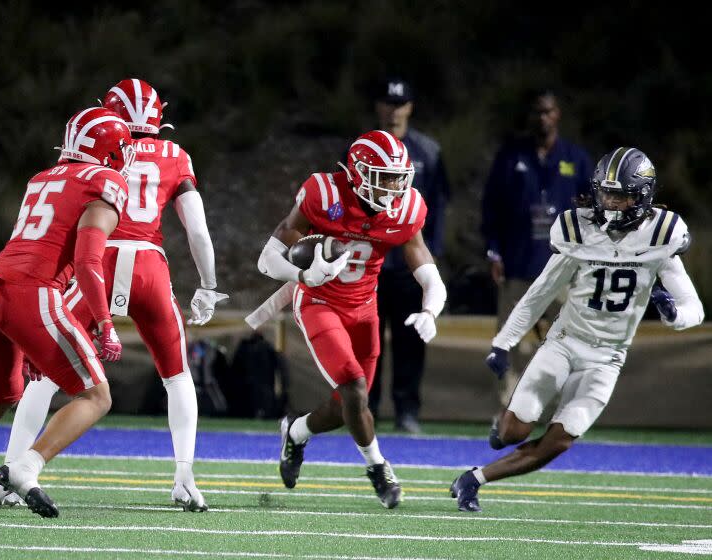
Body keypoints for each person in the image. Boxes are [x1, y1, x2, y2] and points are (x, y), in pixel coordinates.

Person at [0, 79, 227, 512]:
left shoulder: (51, 174)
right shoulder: (166, 159)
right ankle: (185, 477)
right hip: (140, 266)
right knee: (174, 376)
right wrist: (207, 286)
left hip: (26, 277)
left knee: (35, 381)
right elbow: (197, 231)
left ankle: (9, 472)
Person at [452, 147, 704, 512]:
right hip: (565, 344)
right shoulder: (578, 230)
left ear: (642, 196)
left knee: (559, 441)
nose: (612, 203)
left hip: (607, 358)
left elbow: (694, 309)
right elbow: (539, 293)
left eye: (622, 195)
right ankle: (501, 427)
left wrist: (672, 315)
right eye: (607, 193)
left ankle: (473, 480)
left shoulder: (661, 237)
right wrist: (503, 343)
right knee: (512, 433)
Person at [255, 130, 447, 508]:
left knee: (346, 407)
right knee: (356, 390)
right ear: (358, 173)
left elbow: (426, 268)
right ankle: (378, 467)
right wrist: (303, 275)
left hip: (364, 308)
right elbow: (268, 258)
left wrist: (431, 310)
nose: (393, 187)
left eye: (398, 178)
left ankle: (295, 432)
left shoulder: (405, 208)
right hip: (318, 302)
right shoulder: (324, 195)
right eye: (385, 177)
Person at [0, 107, 132, 517]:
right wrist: (105, 323)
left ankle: (20, 469)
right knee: (96, 396)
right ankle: (26, 467)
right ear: (111, 151)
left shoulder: (42, 178)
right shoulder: (105, 181)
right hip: (33, 294)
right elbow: (87, 261)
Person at [481, 89, 593, 445]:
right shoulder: (512, 155)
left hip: (563, 272)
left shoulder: (575, 159)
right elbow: (491, 207)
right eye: (536, 112)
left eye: (548, 112)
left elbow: (595, 212)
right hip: (518, 268)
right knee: (508, 347)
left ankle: (565, 418)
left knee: (569, 344)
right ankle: (505, 416)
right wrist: (493, 252)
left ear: (558, 115)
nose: (542, 118)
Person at [369, 77, 450, 434]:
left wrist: (432, 256)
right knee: (365, 338)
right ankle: (363, 407)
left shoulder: (428, 151)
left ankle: (407, 409)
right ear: (378, 106)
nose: (393, 110)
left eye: (399, 103)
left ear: (410, 107)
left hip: (408, 262)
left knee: (411, 338)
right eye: (387, 102)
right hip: (369, 264)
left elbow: (439, 207)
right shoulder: (362, 149)